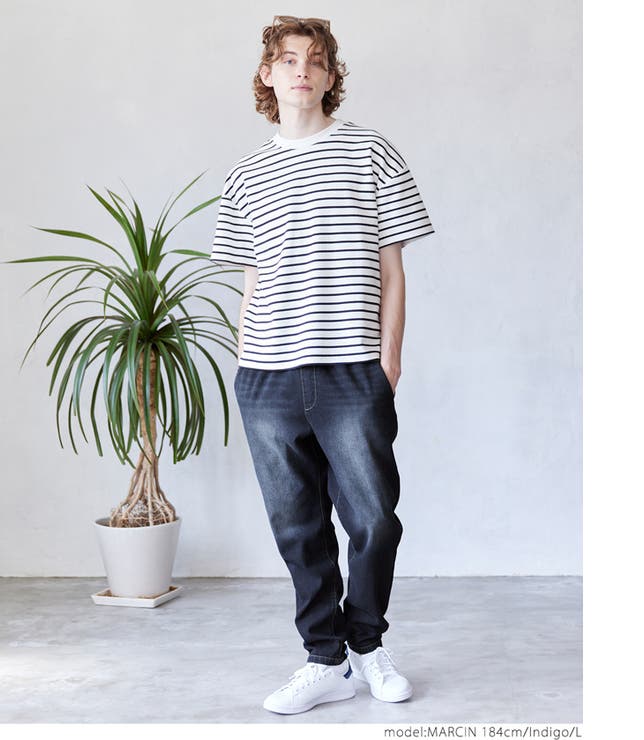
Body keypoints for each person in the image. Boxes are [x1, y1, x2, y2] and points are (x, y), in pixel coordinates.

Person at [209, 15, 435, 714]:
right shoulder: (245, 176)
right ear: (267, 75)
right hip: (266, 377)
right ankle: (325, 659)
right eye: (287, 59)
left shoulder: (372, 154)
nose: (301, 69)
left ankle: (366, 644)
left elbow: (391, 269)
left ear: (331, 75)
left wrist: (388, 360)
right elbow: (252, 281)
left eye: (315, 60)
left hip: (351, 370)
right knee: (297, 527)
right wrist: (245, 365)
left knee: (374, 521)